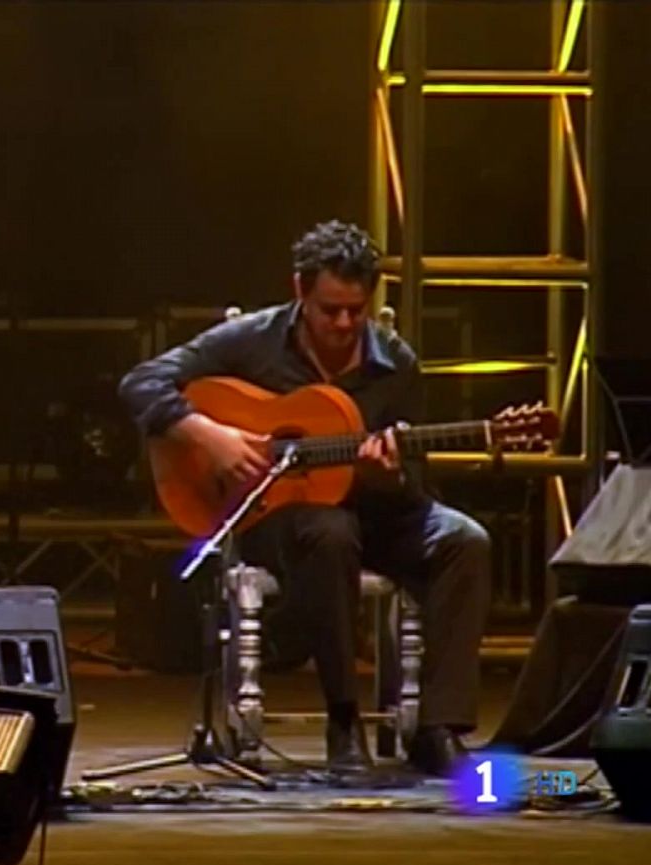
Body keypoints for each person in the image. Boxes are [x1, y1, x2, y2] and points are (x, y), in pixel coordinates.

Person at [118, 220, 491, 777]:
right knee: (330, 531)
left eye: (355, 311)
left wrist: (386, 474)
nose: (343, 324)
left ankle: (440, 727)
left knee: (466, 539)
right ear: (300, 291)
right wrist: (210, 436)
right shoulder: (253, 340)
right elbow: (141, 382)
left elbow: (413, 482)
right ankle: (344, 720)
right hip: (281, 518)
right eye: (330, 309)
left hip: (377, 510)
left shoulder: (396, 364)